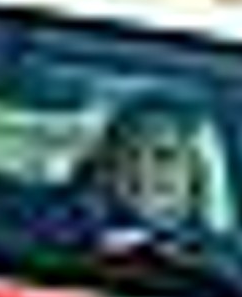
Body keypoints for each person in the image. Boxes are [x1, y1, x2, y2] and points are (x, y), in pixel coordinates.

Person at [73, 92, 211, 233]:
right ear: (110, 172)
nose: (144, 169)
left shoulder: (212, 243)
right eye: (132, 155)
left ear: (193, 171)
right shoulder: (78, 232)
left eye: (164, 156)